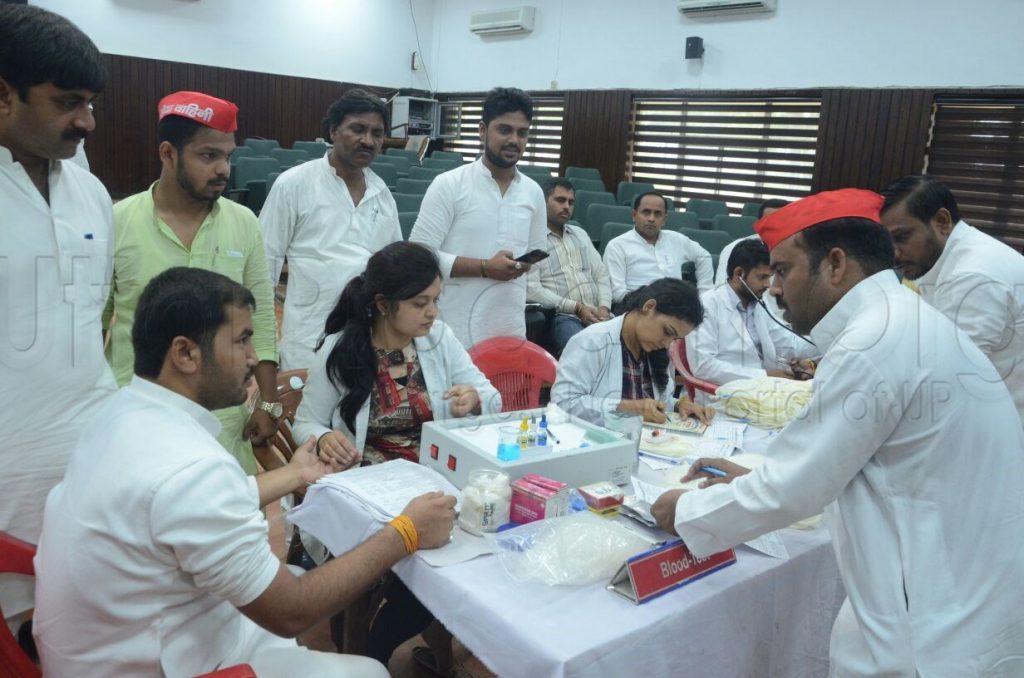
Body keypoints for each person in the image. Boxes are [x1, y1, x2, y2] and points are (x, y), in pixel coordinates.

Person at [652, 189, 1024, 676]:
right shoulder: (900, 320)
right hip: (960, 586)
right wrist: (755, 472)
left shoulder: (876, 338)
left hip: (935, 616)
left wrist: (685, 511)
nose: (774, 290)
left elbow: (794, 489)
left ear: (834, 264)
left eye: (783, 271)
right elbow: (857, 458)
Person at [33, 267, 457, 677]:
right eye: (242, 341)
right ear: (185, 353)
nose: (254, 359)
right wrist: (406, 531)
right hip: (153, 660)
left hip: (106, 643)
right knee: (369, 671)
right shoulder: (190, 466)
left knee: (290, 576)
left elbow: (182, 510)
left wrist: (294, 474)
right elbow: (291, 612)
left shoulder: (123, 414)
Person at [292, 241, 500, 672]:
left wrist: (474, 398)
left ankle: (374, 646)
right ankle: (372, 651)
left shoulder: (438, 340)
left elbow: (492, 396)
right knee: (425, 549)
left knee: (471, 542)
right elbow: (305, 423)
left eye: (436, 301)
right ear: (384, 304)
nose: (432, 313)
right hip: (367, 485)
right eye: (420, 302)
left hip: (430, 477)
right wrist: (325, 437)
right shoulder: (344, 348)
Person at [0, 4, 116, 626]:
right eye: (68, 102)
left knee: (68, 627)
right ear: (3, 95)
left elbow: (89, 320)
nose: (87, 121)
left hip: (85, 460)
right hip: (5, 465)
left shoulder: (90, 193)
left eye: (91, 102)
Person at [107, 91, 280, 475]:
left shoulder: (244, 224)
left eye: (228, 156)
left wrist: (268, 403)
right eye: (208, 156)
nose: (223, 169)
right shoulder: (117, 221)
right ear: (168, 154)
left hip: (222, 418)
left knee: (223, 523)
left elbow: (262, 322)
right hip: (136, 417)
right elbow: (93, 324)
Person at [261, 89, 401, 370]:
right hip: (307, 338)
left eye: (377, 133)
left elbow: (394, 268)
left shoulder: (382, 194)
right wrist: (263, 345)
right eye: (358, 129)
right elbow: (265, 263)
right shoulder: (294, 184)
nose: (368, 140)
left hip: (365, 338)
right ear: (334, 131)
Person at [879, 175, 1024, 425]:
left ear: (942, 222)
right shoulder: (939, 259)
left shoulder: (973, 276)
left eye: (901, 237)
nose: (894, 253)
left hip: (1003, 434)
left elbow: (947, 381)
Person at [409, 86, 547, 348]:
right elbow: (418, 254)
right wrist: (485, 268)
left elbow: (536, 252)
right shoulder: (449, 184)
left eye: (522, 133)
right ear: (483, 130)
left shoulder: (533, 192)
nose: (514, 140)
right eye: (504, 130)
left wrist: (525, 264)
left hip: (509, 324)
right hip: (453, 329)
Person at [552, 278, 714, 425]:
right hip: (596, 445)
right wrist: (629, 408)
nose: (667, 343)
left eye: (674, 338)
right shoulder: (591, 341)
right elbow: (563, 403)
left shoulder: (655, 348)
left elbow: (658, 403)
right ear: (648, 307)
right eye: (667, 331)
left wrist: (679, 405)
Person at [686, 239, 816, 392]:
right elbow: (703, 367)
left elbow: (788, 345)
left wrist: (828, 341)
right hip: (723, 394)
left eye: (770, 277)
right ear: (739, 274)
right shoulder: (705, 306)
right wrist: (764, 376)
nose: (768, 285)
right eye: (762, 277)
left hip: (764, 391)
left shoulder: (758, 304)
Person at [526, 177, 612, 355]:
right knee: (585, 354)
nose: (566, 206)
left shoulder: (580, 234)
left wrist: (604, 308)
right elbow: (531, 289)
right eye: (560, 200)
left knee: (629, 349)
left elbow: (601, 276)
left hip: (599, 314)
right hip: (563, 316)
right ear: (542, 202)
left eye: (571, 202)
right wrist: (577, 307)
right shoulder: (531, 238)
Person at [603, 192, 713, 308]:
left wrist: (704, 294)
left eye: (657, 214)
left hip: (676, 308)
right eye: (646, 212)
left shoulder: (676, 240)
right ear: (634, 215)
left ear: (664, 219)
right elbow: (617, 293)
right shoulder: (617, 246)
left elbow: (704, 256)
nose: (651, 219)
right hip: (637, 309)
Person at [713, 198, 788, 285]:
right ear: (759, 225)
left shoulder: (800, 252)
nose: (775, 226)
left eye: (781, 221)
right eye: (769, 221)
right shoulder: (735, 248)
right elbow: (723, 289)